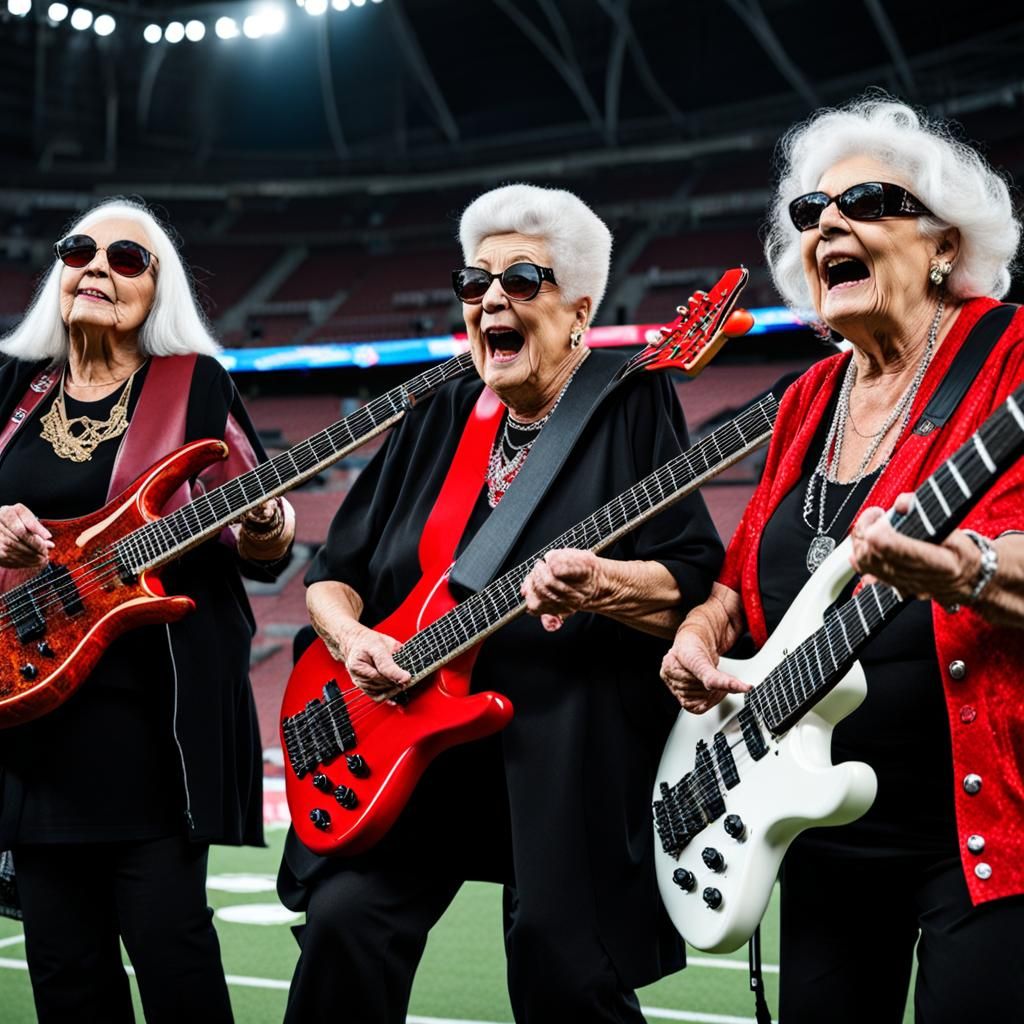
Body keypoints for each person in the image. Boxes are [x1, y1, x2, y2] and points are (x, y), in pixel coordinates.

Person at [278, 183, 724, 1023]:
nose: (491, 300)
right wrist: (348, 638)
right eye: (474, 283)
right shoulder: (439, 407)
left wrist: (606, 584)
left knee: (561, 963)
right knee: (344, 922)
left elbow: (689, 578)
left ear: (579, 310)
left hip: (560, 744)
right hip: (411, 745)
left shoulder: (628, 402)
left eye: (522, 280)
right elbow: (333, 572)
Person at [660, 97, 1024, 1023]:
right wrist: (702, 636)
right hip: (817, 822)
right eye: (811, 214)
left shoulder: (1010, 356)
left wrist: (960, 570)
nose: (829, 224)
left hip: (983, 824)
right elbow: (741, 586)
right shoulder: (807, 399)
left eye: (866, 201)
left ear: (944, 244)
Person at [0, 197, 296, 1023]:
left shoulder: (193, 383)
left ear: (155, 290)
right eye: (80, 250)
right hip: (29, 723)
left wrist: (272, 524)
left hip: (151, 732)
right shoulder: (13, 387)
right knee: (63, 971)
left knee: (173, 957)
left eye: (125, 260)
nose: (97, 267)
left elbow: (258, 535)